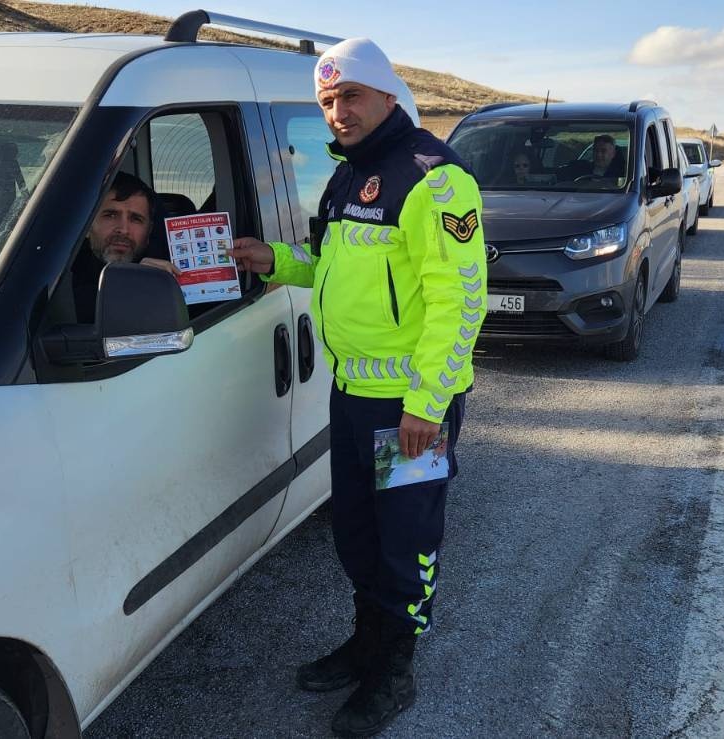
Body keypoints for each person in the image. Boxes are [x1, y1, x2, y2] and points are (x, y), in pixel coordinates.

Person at [227, 37, 486, 738]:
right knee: (358, 531)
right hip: (352, 394)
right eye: (328, 102)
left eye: (350, 97)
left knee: (407, 536)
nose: (337, 112)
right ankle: (366, 642)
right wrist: (276, 259)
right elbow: (335, 269)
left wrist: (426, 407)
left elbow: (459, 300)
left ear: (387, 97)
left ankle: (393, 670)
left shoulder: (435, 178)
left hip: (411, 407)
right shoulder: (348, 177)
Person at [70, 172, 176, 322]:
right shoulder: (59, 283)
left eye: (136, 219)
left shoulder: (170, 279)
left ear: (149, 232)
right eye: (111, 215)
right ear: (87, 226)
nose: (123, 229)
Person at [556, 134, 623, 181]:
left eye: (603, 151)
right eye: (596, 150)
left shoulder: (622, 174)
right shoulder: (580, 169)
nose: (598, 155)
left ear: (613, 154)